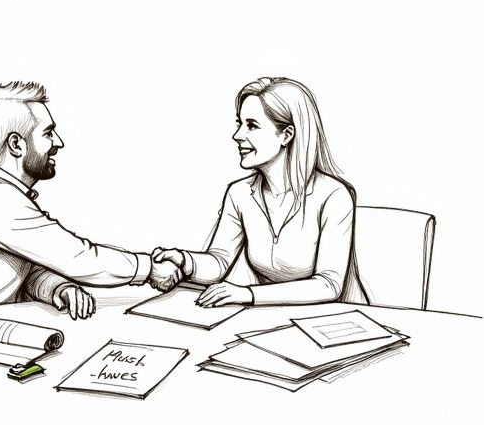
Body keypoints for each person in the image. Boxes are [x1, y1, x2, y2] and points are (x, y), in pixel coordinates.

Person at [0, 81, 181, 320]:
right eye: (48, 133)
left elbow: (20, 267)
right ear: (16, 145)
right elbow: (79, 258)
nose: (59, 143)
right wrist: (149, 269)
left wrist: (56, 288)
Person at [152, 77, 367, 307]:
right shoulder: (239, 193)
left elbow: (328, 285)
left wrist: (248, 295)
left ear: (287, 135)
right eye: (240, 123)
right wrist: (184, 261)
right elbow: (220, 261)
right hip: (274, 318)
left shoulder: (333, 196)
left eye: (252, 126)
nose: (238, 135)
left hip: (341, 320)